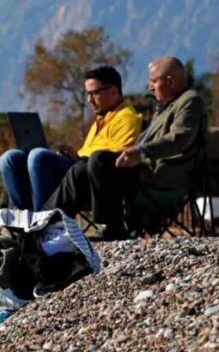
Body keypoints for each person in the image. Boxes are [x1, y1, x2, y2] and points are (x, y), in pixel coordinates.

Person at [45, 57, 208, 239]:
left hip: (161, 174)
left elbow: (179, 138)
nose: (150, 87)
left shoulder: (190, 101)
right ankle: (45, 224)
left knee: (99, 159)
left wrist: (141, 152)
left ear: (170, 81)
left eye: (154, 81)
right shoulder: (165, 106)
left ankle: (110, 227)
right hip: (143, 169)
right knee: (80, 170)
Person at [0, 66, 141, 210]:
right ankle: (22, 220)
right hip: (77, 169)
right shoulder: (101, 119)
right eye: (88, 94)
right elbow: (88, 152)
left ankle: (42, 221)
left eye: (95, 93)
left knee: (39, 157)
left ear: (113, 91)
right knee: (10, 158)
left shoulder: (126, 119)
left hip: (92, 180)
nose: (89, 100)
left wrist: (79, 159)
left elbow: (115, 161)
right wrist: (74, 154)